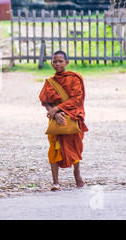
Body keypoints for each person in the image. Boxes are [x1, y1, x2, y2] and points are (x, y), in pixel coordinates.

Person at [39, 50, 88, 191]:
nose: (58, 64)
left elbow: (77, 99)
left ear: (67, 63)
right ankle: (55, 182)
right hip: (55, 119)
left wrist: (58, 109)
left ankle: (77, 173)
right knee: (54, 148)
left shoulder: (75, 78)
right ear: (51, 63)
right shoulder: (50, 82)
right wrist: (53, 113)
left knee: (75, 145)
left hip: (72, 116)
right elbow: (44, 101)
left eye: (61, 61)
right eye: (55, 61)